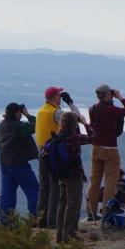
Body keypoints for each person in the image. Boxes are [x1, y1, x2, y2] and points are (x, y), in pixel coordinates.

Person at [35, 86, 83, 229]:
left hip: (43, 152)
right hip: (55, 155)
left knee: (44, 188)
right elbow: (76, 118)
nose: (60, 97)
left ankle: (41, 219)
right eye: (58, 95)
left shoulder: (40, 111)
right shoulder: (55, 112)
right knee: (55, 187)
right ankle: (53, 221)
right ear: (53, 97)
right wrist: (71, 103)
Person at [86, 84, 125, 220]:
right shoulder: (111, 110)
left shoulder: (92, 109)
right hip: (110, 149)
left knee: (94, 181)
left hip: (96, 148)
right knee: (110, 181)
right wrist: (120, 97)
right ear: (108, 94)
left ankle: (91, 212)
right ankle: (107, 212)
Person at [54, 112, 94, 242]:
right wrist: (85, 123)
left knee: (62, 203)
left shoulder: (59, 136)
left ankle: (60, 235)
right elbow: (93, 138)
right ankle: (70, 235)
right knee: (73, 205)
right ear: (74, 124)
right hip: (73, 175)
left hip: (61, 175)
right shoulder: (73, 138)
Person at [0, 102, 39, 223]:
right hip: (19, 164)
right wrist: (28, 115)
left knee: (7, 194)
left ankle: (5, 222)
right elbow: (36, 125)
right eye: (20, 112)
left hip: (6, 164)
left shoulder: (3, 125)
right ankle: (35, 218)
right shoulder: (18, 126)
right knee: (33, 190)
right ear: (17, 113)